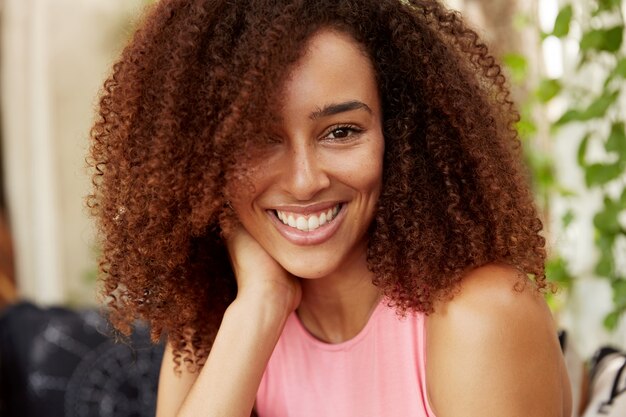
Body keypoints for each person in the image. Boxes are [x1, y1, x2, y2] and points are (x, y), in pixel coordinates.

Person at [88, 0, 572, 415]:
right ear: (204, 156)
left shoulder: (480, 318)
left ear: (399, 134)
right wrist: (261, 305)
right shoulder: (216, 331)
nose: (304, 181)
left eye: (341, 132)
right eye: (259, 139)